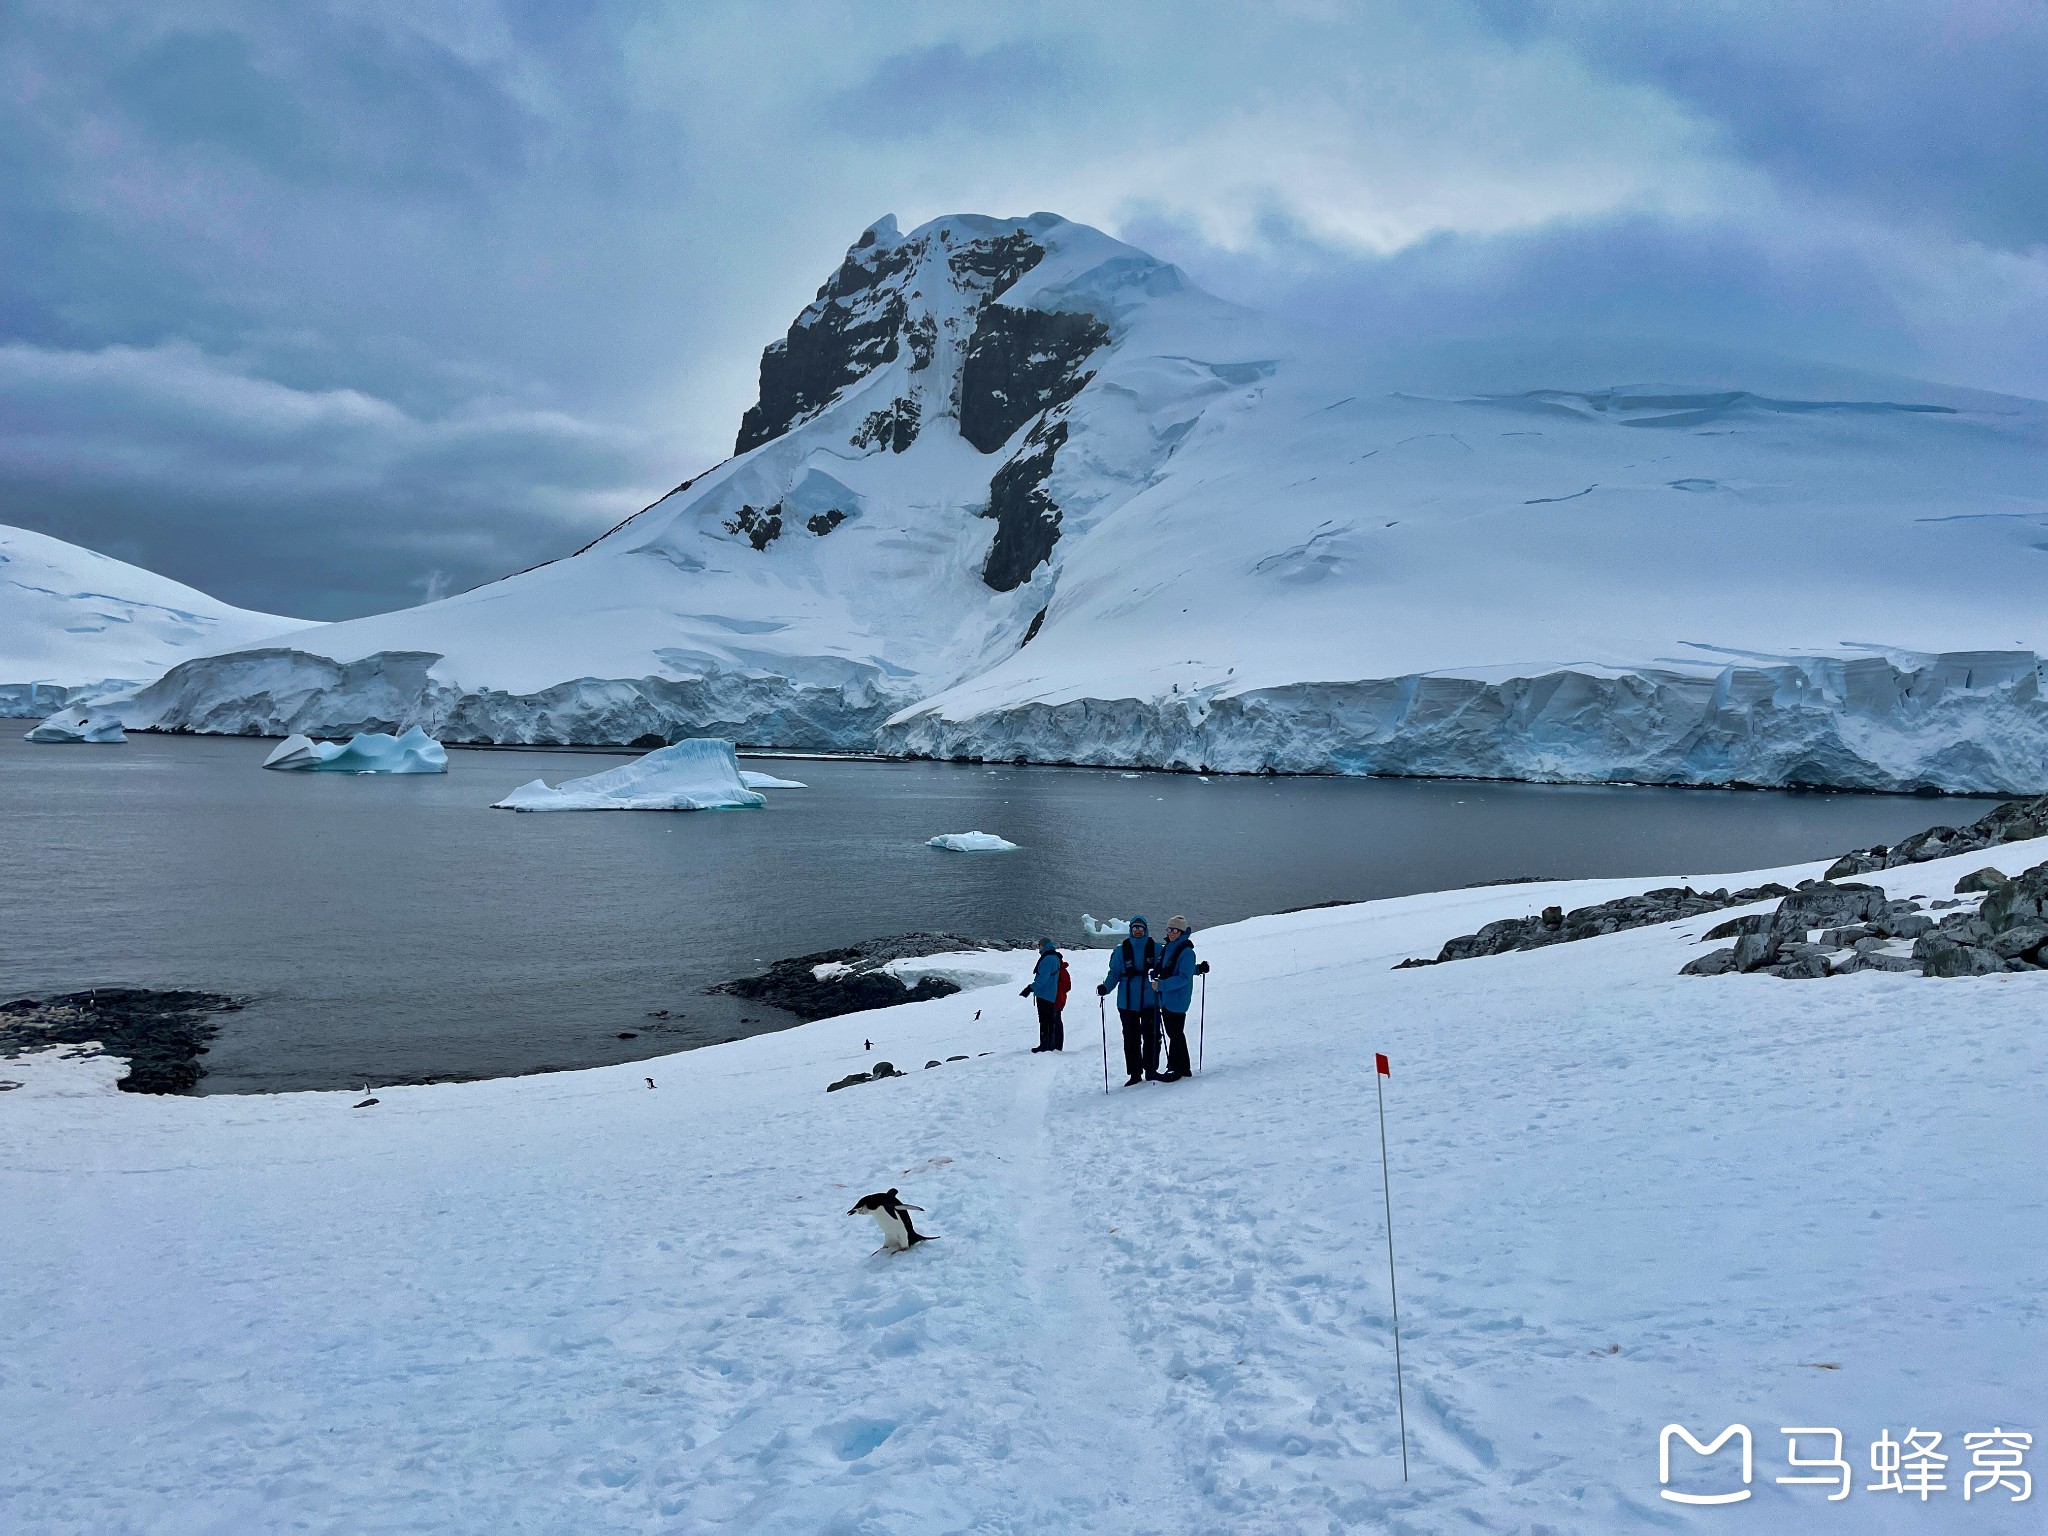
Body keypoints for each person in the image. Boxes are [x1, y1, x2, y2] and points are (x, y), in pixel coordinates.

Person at [1097, 915, 1162, 1084]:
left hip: (1150, 1000)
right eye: (1135, 928)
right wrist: (1106, 987)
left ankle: (1151, 1070)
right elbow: (1114, 973)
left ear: (1145, 929)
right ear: (1131, 930)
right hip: (1127, 1003)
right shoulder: (1120, 951)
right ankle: (1135, 1074)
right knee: (1131, 1039)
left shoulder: (1156, 949)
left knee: (1152, 1036)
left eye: (1140, 928)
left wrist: (1197, 969)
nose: (1138, 931)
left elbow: (1170, 967)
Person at [1151, 915, 1209, 1081]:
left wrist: (1161, 985)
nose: (1171, 933)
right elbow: (1180, 969)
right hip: (1167, 998)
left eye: (1175, 930)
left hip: (1177, 999)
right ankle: (1180, 1067)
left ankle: (1178, 1068)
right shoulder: (1170, 947)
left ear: (1182, 932)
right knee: (1174, 1033)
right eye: (1169, 929)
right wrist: (1198, 969)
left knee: (1175, 1033)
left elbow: (1183, 977)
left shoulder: (1187, 952)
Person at [1020, 938, 1068, 1052]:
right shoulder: (1054, 957)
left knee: (1044, 1020)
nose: (1038, 948)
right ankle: (1050, 1045)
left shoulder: (1048, 959)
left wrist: (1030, 988)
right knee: (1050, 1021)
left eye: (1039, 945)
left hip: (1045, 994)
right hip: (1050, 994)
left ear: (1044, 946)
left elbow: (1043, 978)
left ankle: (1045, 1045)